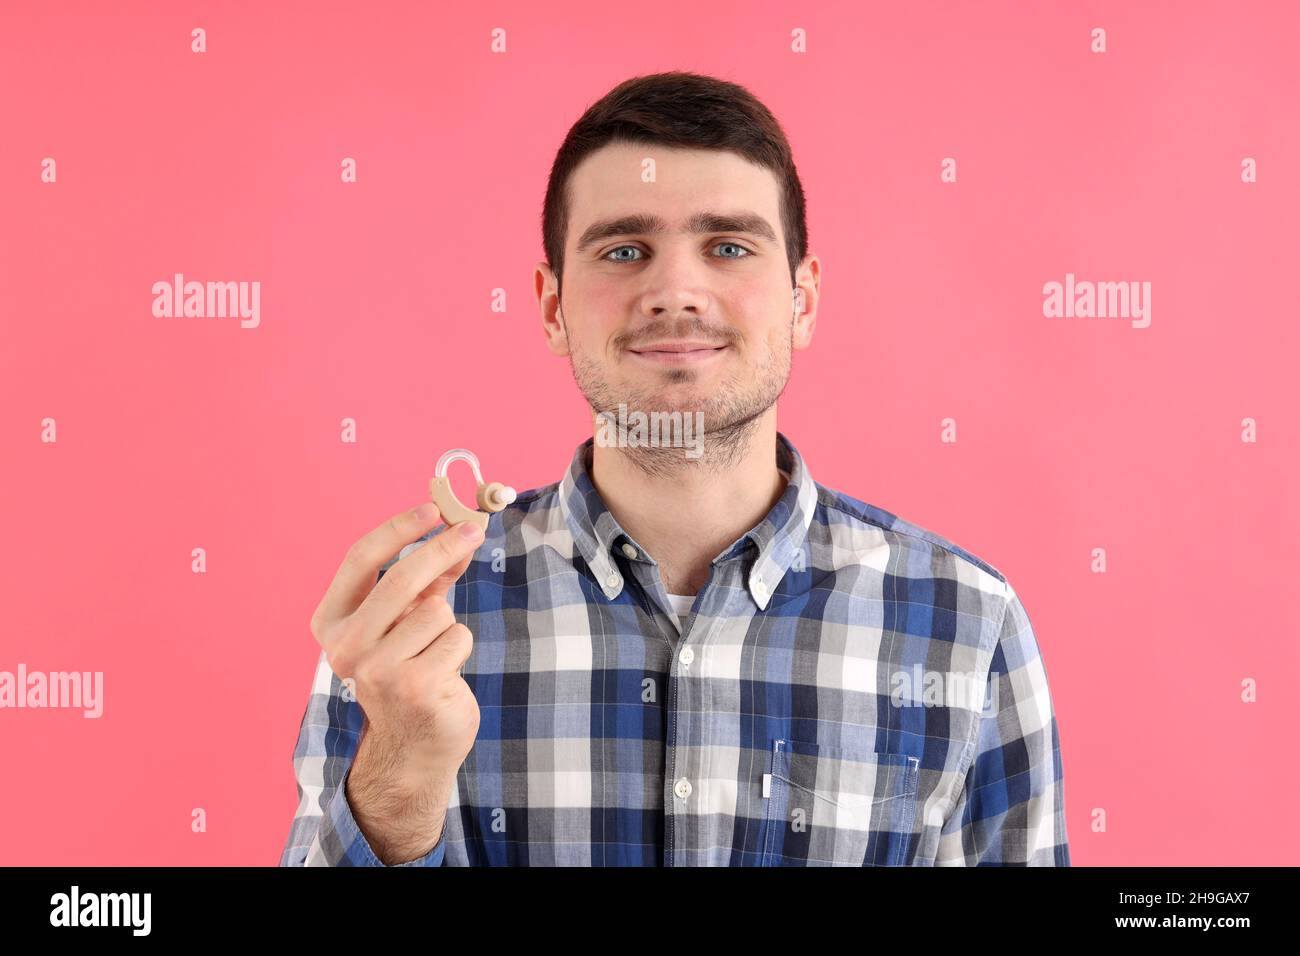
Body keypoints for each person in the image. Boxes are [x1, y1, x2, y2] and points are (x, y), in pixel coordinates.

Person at [280, 70, 1069, 867]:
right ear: (553, 307)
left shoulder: (967, 624)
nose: (674, 290)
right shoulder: (413, 622)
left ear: (802, 299)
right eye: (625, 250)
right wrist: (396, 790)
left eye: (728, 246)